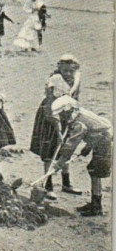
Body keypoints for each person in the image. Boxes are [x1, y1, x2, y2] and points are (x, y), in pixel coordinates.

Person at [29, 55, 82, 200]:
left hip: (67, 115)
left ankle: (66, 183)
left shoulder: (75, 80)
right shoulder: (55, 81)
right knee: (50, 150)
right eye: (65, 70)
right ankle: (48, 185)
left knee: (66, 148)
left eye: (71, 71)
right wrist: (56, 126)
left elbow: (76, 99)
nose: (68, 74)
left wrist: (72, 117)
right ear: (59, 69)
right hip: (50, 115)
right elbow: (49, 104)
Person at [51, 96, 112, 217]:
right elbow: (94, 129)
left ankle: (96, 206)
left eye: (61, 114)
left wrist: (59, 163)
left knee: (94, 171)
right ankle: (95, 202)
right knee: (93, 170)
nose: (61, 117)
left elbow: (71, 145)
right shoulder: (79, 113)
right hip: (101, 137)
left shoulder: (79, 123)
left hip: (105, 140)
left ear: (67, 110)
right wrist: (88, 147)